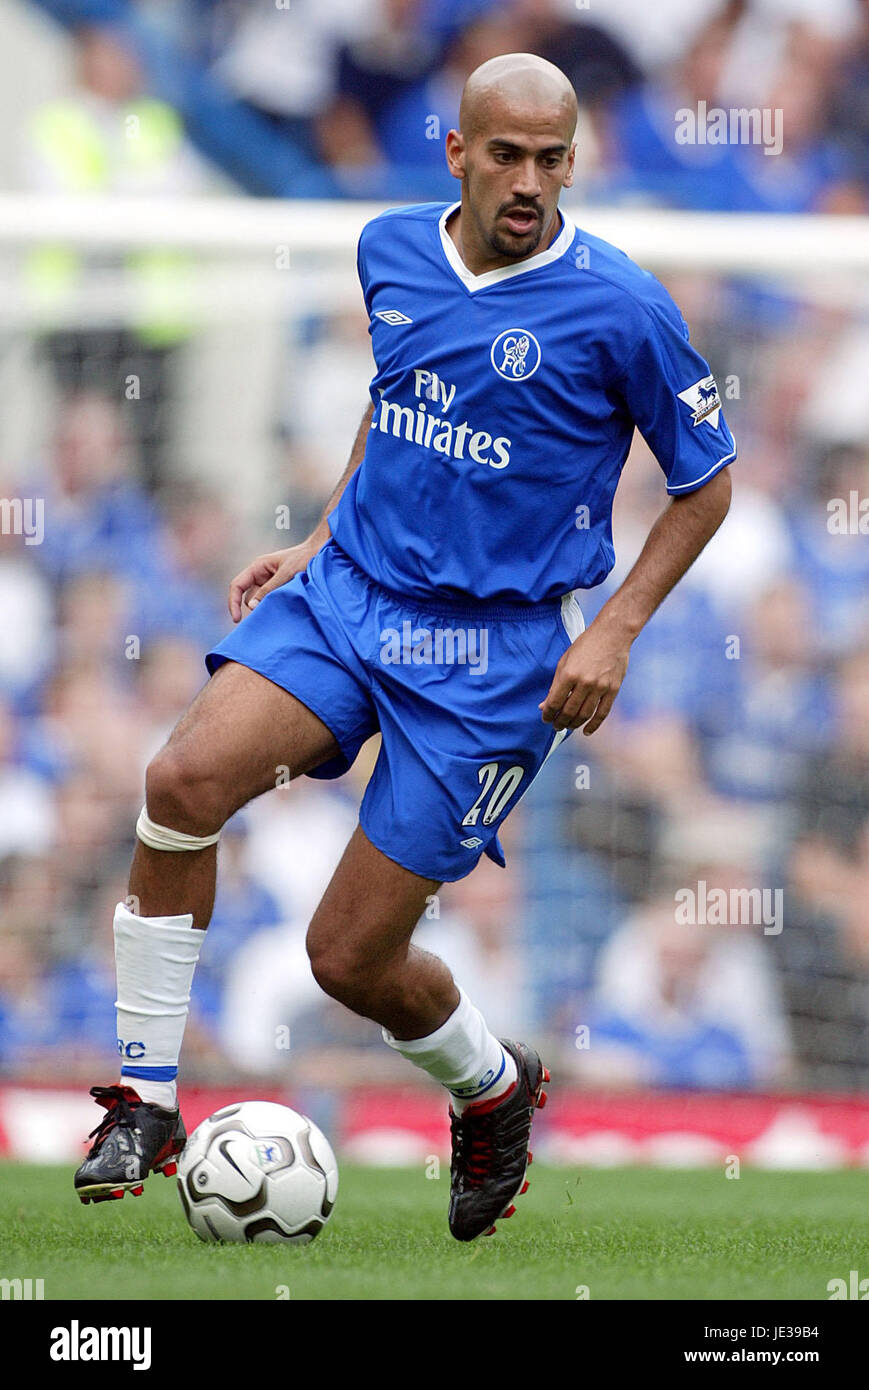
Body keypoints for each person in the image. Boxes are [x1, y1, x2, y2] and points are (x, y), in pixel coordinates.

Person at [73, 53, 735, 1241]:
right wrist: (320, 533)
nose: (527, 179)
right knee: (180, 782)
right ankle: (144, 1099)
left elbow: (706, 482)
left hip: (490, 665)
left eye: (549, 159)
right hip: (350, 593)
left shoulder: (620, 305)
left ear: (569, 164)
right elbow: (396, 403)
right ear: (457, 154)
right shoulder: (388, 249)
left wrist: (617, 633)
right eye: (505, 155)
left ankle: (491, 1084)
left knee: (348, 958)